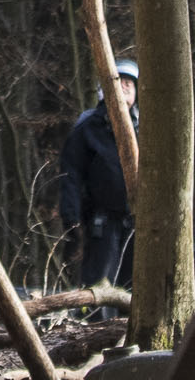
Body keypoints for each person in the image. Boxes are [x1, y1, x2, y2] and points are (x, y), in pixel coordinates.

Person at [52, 66, 137, 288]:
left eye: (130, 82)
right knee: (99, 283)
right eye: (120, 80)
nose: (126, 85)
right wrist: (72, 220)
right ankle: (96, 322)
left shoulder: (147, 127)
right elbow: (71, 174)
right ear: (105, 90)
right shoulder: (88, 128)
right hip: (103, 221)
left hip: (140, 222)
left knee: (134, 284)